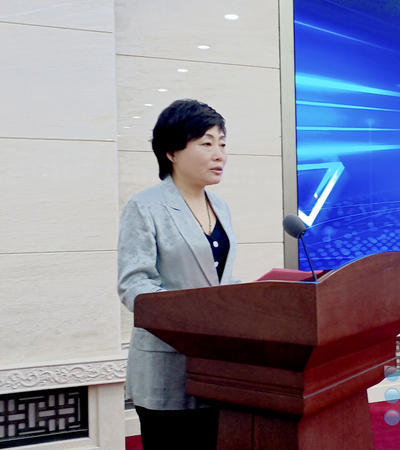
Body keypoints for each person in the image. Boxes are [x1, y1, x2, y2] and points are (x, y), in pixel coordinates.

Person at [118, 99, 238, 449]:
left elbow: (220, 280)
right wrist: (191, 314)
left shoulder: (221, 207)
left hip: (216, 365)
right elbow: (133, 285)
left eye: (222, 144)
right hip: (167, 367)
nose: (219, 154)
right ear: (171, 152)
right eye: (206, 143)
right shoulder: (145, 206)